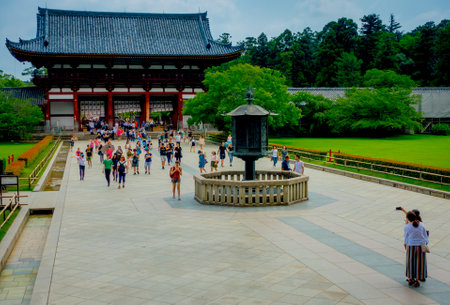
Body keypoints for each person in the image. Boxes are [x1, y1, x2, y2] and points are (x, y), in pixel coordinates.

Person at [404, 211, 429, 287]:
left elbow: (406, 238)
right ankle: (417, 280)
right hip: (420, 246)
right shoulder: (421, 225)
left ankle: (411, 278)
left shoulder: (407, 226)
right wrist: (426, 243)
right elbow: (425, 236)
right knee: (419, 263)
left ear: (408, 218)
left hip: (411, 246)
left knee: (410, 262)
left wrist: (406, 245)